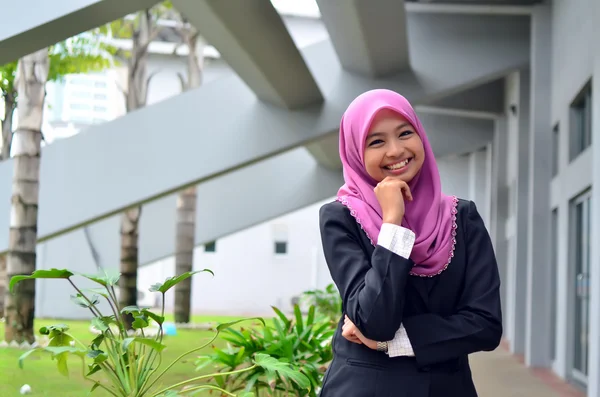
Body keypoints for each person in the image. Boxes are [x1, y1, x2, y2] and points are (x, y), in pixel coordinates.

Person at [318, 89, 502, 397]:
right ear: (355, 153)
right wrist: (393, 221)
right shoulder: (341, 218)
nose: (395, 150)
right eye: (376, 141)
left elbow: (486, 324)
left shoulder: (462, 216)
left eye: (405, 133)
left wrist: (397, 342)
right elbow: (374, 319)